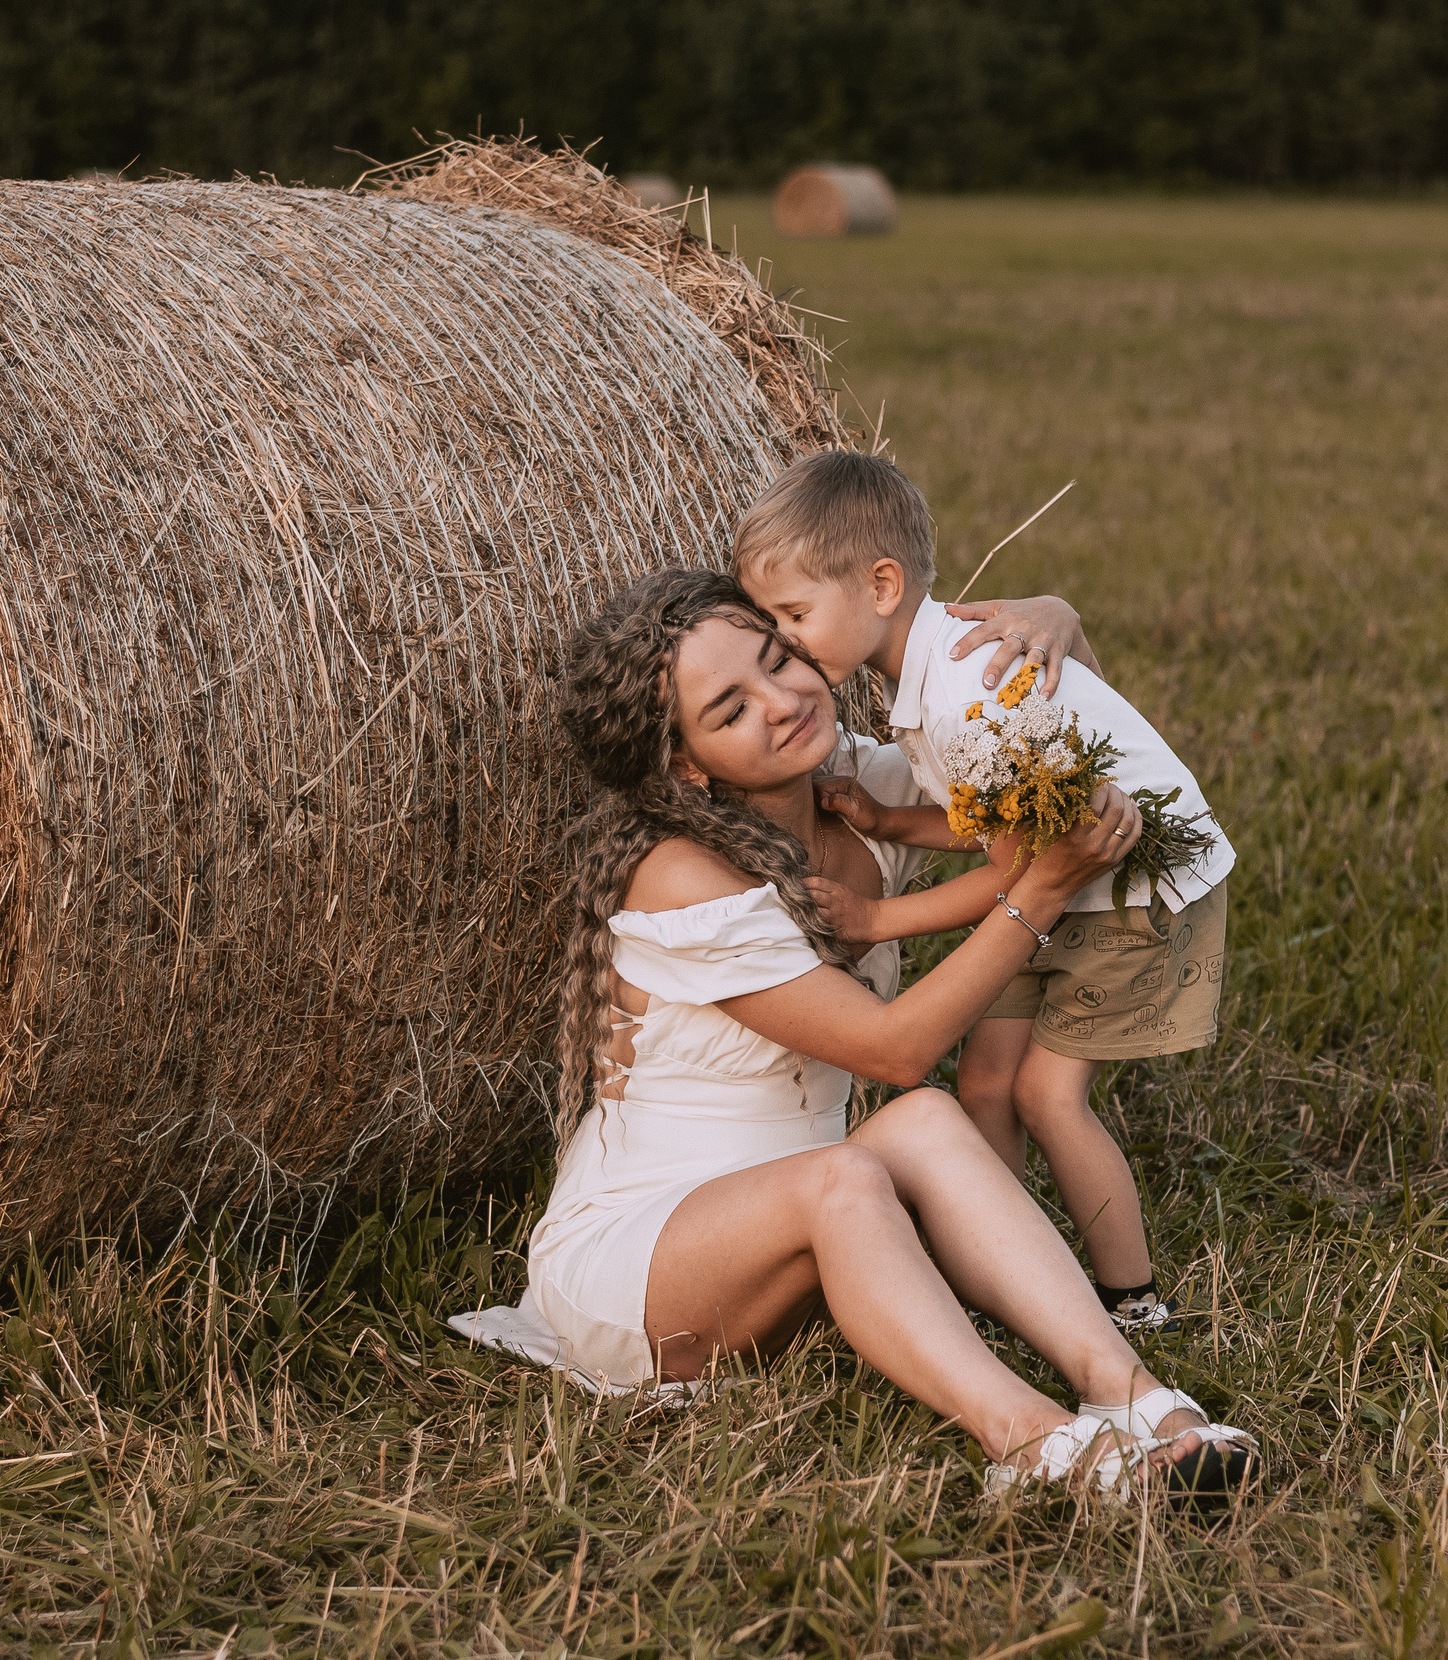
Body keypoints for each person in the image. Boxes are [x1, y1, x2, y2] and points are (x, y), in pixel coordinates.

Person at [450, 568, 1258, 1502]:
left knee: (922, 1123)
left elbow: (1058, 762)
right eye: (731, 706)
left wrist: (1057, 628)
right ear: (687, 765)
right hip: (640, 1266)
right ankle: (1037, 1446)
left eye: (776, 657)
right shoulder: (679, 874)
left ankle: (1140, 1399)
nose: (785, 700)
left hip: (817, 1234)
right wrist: (1036, 891)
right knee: (850, 1162)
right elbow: (890, 1048)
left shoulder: (864, 786)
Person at [733, 451, 1238, 1334]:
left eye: (795, 614)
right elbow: (1004, 824)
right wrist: (891, 824)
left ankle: (1134, 1299)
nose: (784, 642)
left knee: (1046, 1094)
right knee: (985, 1083)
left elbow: (1014, 876)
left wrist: (878, 916)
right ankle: (1004, 1269)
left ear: (882, 584)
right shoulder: (927, 681)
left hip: (1139, 885)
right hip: (1064, 882)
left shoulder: (966, 694)